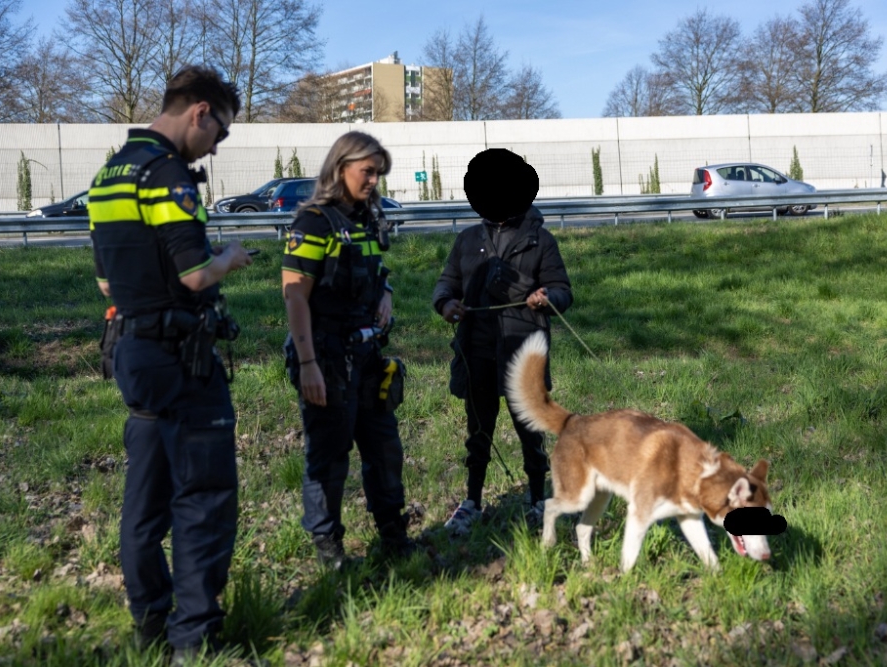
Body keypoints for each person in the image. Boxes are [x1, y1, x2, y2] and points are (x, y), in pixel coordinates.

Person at [88, 65, 252, 662]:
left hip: (132, 352)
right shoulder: (166, 174)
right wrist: (230, 257)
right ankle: (196, 639)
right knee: (203, 496)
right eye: (222, 132)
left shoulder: (109, 174)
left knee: (145, 498)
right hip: (180, 356)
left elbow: (106, 280)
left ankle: (149, 622)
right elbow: (192, 272)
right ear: (199, 112)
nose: (217, 144)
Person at [281, 131, 415, 568]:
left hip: (369, 357)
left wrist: (388, 291)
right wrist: (308, 364)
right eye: (368, 171)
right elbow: (295, 297)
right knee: (330, 453)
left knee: (384, 450)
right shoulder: (313, 223)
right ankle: (329, 549)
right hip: (326, 356)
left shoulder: (368, 220)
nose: (375, 180)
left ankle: (394, 536)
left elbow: (376, 271)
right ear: (341, 168)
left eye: (379, 172)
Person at [432, 148, 573, 536]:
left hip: (523, 353)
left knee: (532, 434)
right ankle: (472, 502)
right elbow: (446, 284)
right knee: (478, 435)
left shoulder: (540, 241)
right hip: (476, 351)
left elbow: (563, 290)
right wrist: (445, 303)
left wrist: (548, 298)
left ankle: (536, 498)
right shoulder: (467, 241)